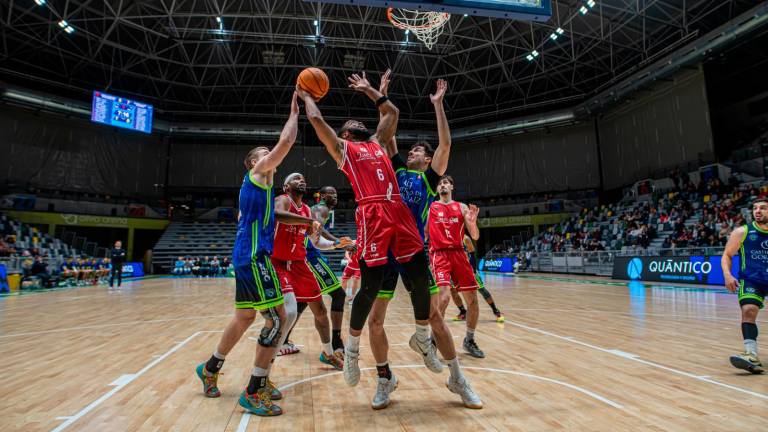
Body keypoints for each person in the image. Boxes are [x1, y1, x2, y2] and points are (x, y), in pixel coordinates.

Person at [299, 71, 481, 410]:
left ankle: (455, 375)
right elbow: (383, 124)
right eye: (410, 148)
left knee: (434, 316)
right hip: (378, 229)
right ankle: (382, 377)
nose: (413, 151)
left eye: (418, 150)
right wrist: (374, 92)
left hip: (407, 235)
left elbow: (421, 133)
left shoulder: (422, 175)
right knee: (374, 316)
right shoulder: (384, 159)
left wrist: (380, 93)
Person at [194, 92, 313, 417]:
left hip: (249, 255)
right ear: (253, 163)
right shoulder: (258, 173)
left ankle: (210, 367)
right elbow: (285, 142)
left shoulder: (262, 190)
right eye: (264, 154)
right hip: (253, 258)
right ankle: (254, 390)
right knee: (277, 319)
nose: (271, 155)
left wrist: (304, 220)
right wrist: (294, 111)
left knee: (246, 317)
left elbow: (262, 218)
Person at [272, 173, 351, 371]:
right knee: (289, 312)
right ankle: (270, 358)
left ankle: (329, 352)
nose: (301, 180)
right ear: (286, 186)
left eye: (303, 179)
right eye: (295, 178)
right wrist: (309, 222)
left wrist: (336, 244)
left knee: (320, 311)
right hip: (279, 262)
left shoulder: (307, 210)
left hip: (300, 264)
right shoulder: (283, 200)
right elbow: (278, 215)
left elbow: (315, 242)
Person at [429, 176, 485, 358]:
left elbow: (475, 236)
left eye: (446, 182)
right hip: (440, 254)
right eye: (439, 183)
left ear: (452, 186)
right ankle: (433, 340)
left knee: (473, 301)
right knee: (444, 299)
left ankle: (469, 339)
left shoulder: (461, 207)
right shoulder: (431, 207)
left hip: (459, 254)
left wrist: (472, 222)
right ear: (436, 189)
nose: (443, 185)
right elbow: (422, 234)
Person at [723, 198, 768, 373]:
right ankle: (751, 354)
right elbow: (727, 255)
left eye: (763, 208)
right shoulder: (742, 232)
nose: (758, 211)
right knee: (748, 310)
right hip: (752, 279)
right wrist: (727, 275)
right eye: (755, 208)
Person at [451, 235, 504, 324]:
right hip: (455, 270)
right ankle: (463, 312)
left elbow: (472, 254)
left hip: (468, 269)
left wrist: (474, 270)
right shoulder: (448, 237)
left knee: (481, 289)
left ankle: (496, 311)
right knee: (452, 290)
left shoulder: (465, 238)